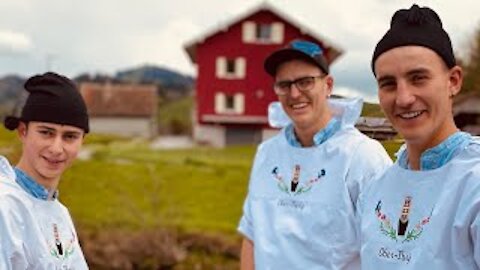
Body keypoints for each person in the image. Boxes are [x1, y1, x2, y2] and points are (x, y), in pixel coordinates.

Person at [238, 40, 392, 269]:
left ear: (328, 85)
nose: (294, 93)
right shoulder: (266, 154)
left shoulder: (362, 157)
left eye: (305, 82)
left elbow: (388, 251)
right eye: (284, 84)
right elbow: (251, 235)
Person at [359, 4, 480, 269]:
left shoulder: (474, 183)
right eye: (389, 84)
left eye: (418, 78)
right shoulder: (374, 189)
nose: (403, 98)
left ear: (453, 81)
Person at [0, 72, 89, 269]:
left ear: (82, 140)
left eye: (70, 136)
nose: (57, 148)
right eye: (46, 133)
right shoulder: (5, 206)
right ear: (23, 131)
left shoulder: (59, 212)